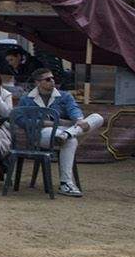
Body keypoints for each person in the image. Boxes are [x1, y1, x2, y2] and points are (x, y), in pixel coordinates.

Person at [17, 68, 104, 197]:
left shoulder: (64, 95)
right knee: (70, 139)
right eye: (48, 79)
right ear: (38, 82)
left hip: (64, 131)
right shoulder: (26, 99)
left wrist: (78, 120)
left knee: (97, 117)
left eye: (52, 78)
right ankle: (66, 183)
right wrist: (54, 123)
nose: (52, 81)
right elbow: (20, 120)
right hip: (42, 134)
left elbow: (73, 109)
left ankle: (67, 135)